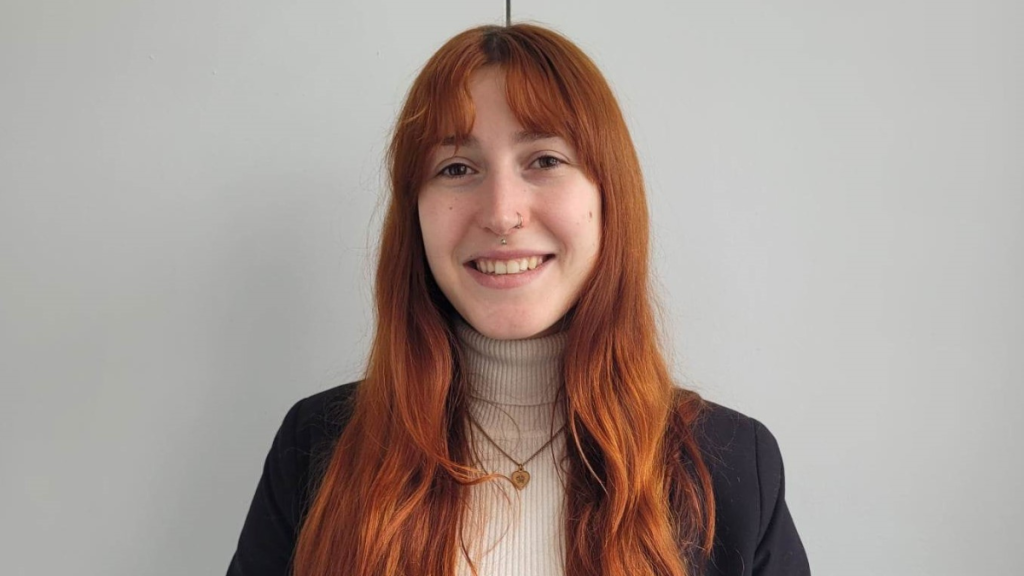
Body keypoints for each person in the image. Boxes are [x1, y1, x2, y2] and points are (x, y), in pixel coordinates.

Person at [227, 23, 809, 576]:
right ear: (415, 213)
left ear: (608, 197)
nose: (502, 213)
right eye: (457, 167)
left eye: (545, 161)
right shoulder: (316, 447)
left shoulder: (732, 465)